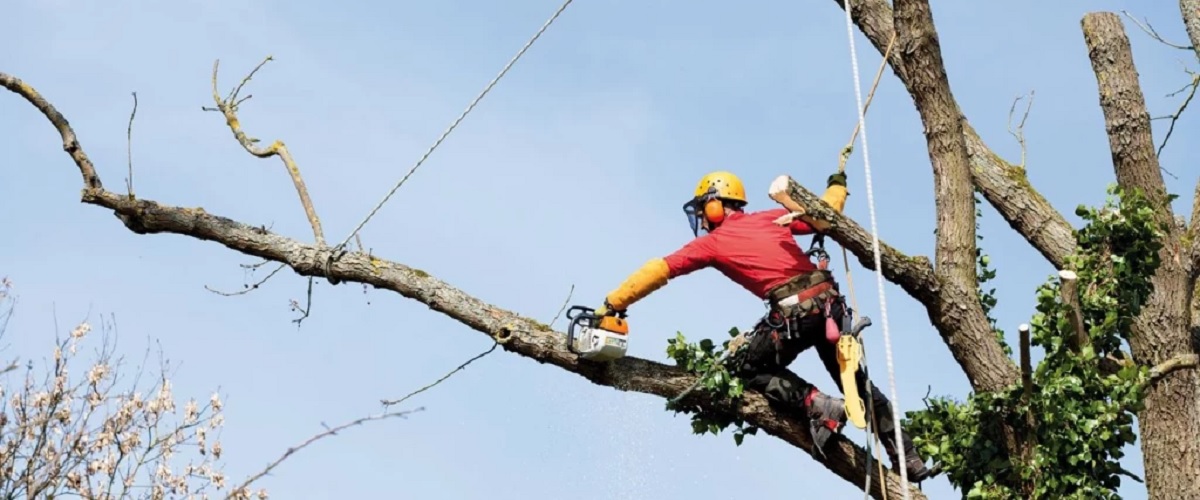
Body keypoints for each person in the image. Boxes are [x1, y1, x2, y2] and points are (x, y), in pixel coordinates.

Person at [594, 170, 932, 480]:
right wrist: (838, 184)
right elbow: (827, 214)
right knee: (856, 385)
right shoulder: (773, 218)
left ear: (715, 205)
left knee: (746, 367)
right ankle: (908, 457)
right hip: (829, 307)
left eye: (703, 210)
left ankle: (817, 404)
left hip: (795, 314)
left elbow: (661, 269)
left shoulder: (712, 242)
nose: (702, 219)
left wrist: (613, 303)